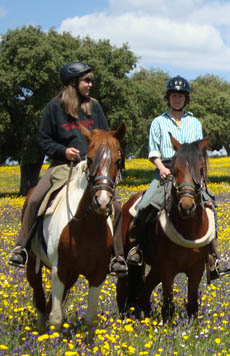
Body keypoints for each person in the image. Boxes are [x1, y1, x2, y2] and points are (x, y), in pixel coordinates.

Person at [8, 61, 127, 277]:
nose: (90, 84)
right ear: (73, 82)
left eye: (91, 80)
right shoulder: (54, 107)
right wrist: (63, 152)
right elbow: (43, 140)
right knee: (35, 199)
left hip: (92, 170)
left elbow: (105, 138)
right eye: (86, 80)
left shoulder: (95, 107)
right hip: (63, 166)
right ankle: (21, 247)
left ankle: (117, 257)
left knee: (116, 206)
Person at [127, 75, 230, 281]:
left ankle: (213, 256)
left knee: (210, 204)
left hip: (189, 174)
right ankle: (136, 248)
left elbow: (199, 152)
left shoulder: (194, 123)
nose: (177, 99)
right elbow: (153, 151)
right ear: (168, 98)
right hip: (165, 170)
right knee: (145, 205)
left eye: (181, 96)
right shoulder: (158, 122)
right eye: (173, 95)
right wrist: (160, 168)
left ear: (186, 99)